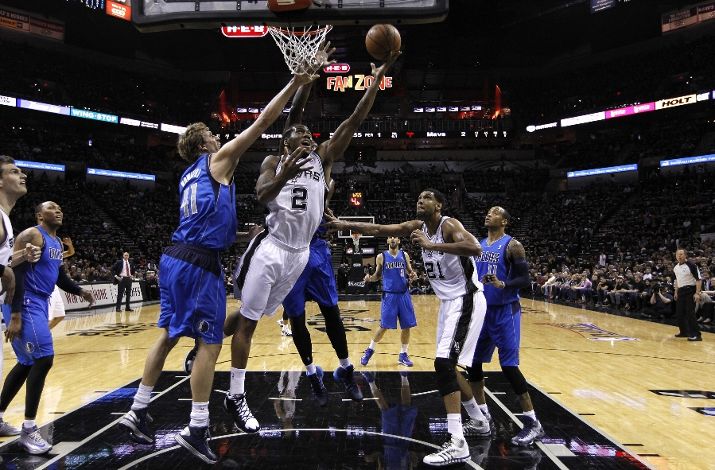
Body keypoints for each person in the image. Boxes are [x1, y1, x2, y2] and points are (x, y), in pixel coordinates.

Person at [118, 71, 316, 465]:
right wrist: (294, 84)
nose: (218, 135)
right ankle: (197, 427)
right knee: (210, 344)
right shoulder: (217, 160)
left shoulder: (186, 176)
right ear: (203, 143)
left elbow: (208, 218)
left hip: (173, 257)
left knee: (168, 335)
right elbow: (262, 124)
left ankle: (137, 408)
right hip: (198, 263)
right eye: (212, 133)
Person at [222, 50, 400, 433]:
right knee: (251, 323)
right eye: (299, 134)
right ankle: (233, 390)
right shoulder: (274, 162)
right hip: (271, 248)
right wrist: (302, 85)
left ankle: (205, 338)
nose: (306, 136)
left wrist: (376, 79)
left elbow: (355, 120)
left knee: (256, 315)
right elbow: (262, 195)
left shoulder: (323, 158)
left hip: (302, 254)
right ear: (286, 143)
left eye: (309, 134)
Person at [327, 188, 488, 466]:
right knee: (448, 365)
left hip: (467, 298)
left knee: (443, 365)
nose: (419, 200)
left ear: (438, 205)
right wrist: (344, 224)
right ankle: (479, 421)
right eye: (418, 197)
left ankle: (458, 442)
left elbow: (475, 248)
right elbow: (379, 228)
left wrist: (430, 246)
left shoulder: (449, 225)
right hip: (449, 303)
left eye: (426, 197)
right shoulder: (416, 227)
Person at [0, 201, 94, 454]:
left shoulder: (55, 243)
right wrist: (16, 314)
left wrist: (80, 290)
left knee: (27, 363)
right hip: (25, 300)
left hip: (38, 302)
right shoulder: (32, 234)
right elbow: (15, 273)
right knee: (44, 358)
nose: (59, 210)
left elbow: (59, 276)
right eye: (52, 208)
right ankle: (29, 429)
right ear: (40, 215)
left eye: (61, 208)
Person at [470, 206, 544, 447]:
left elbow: (525, 279)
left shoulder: (513, 245)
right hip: (483, 310)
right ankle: (482, 417)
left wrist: (504, 283)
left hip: (506, 311)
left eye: (494, 212)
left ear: (505, 221)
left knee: (509, 366)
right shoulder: (480, 244)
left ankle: (533, 423)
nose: (488, 214)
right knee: (474, 364)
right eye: (488, 212)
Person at [0, 155, 37, 437]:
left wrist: (18, 258)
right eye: (14, 171)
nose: (22, 174)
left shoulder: (6, 218)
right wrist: (5, 269)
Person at [361, 236, 418, 367]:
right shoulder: (381, 257)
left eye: (396, 237)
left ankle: (403, 354)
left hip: (404, 294)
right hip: (389, 295)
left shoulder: (405, 255)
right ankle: (369, 350)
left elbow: (410, 272)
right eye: (390, 237)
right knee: (384, 326)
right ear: (387, 241)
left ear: (399, 241)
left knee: (407, 326)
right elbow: (377, 276)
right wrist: (370, 278)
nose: (393, 239)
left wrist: (413, 275)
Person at [673, 248, 702, 341]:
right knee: (679, 313)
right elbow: (677, 280)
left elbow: (698, 280)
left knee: (690, 313)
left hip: (690, 290)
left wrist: (697, 293)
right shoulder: (676, 267)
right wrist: (676, 291)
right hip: (681, 291)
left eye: (681, 254)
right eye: (678, 254)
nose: (679, 256)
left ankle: (697, 335)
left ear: (685, 255)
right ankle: (684, 332)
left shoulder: (692, 265)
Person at [48, 237, 74, 329]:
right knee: (47, 318)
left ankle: (43, 334)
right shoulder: (46, 253)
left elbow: (71, 253)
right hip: (46, 284)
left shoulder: (58, 255)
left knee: (60, 315)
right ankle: (40, 337)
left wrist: (70, 245)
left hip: (54, 285)